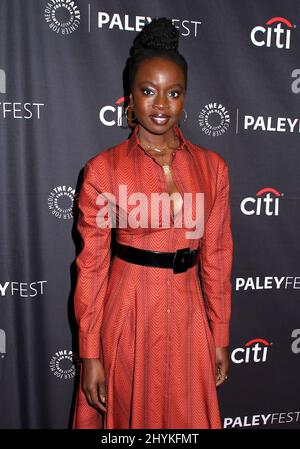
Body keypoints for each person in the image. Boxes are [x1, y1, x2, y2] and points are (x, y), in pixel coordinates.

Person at [72, 17, 233, 429]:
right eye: (148, 91)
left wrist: (220, 333)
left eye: (173, 93)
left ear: (185, 99)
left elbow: (215, 257)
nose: (161, 105)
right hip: (128, 316)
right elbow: (90, 268)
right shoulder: (102, 171)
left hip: (188, 317)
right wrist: (90, 353)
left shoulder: (213, 169)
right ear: (129, 97)